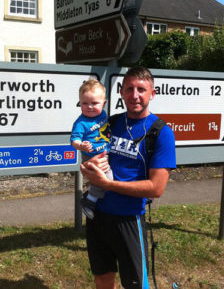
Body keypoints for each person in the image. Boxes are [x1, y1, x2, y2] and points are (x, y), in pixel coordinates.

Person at [80, 66, 176, 289]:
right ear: (121, 92)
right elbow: (90, 154)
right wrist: (89, 165)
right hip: (97, 216)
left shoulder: (161, 133)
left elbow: (156, 188)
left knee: (135, 284)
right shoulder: (110, 123)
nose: (135, 95)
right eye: (129, 89)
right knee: (102, 277)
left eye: (141, 89)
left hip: (129, 218)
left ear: (152, 93)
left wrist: (108, 184)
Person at [71, 78, 113, 220]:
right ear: (80, 103)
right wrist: (81, 145)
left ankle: (90, 196)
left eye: (94, 103)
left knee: (109, 181)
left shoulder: (103, 115)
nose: (89, 107)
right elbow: (74, 140)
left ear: (104, 103)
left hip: (105, 153)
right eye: (85, 103)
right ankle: (89, 202)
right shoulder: (81, 122)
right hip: (91, 157)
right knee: (107, 180)